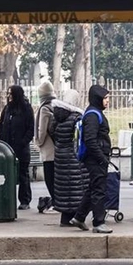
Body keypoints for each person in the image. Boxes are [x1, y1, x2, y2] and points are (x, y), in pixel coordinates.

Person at [70, 84, 114, 234]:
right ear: (97, 98)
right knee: (99, 190)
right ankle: (99, 222)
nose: (107, 101)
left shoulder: (94, 113)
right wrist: (102, 158)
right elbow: (90, 140)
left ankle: (79, 217)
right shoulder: (93, 115)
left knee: (93, 188)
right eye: (105, 98)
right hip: (95, 159)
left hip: (96, 158)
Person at [50, 89, 86, 228]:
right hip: (73, 156)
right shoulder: (76, 118)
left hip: (60, 156)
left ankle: (65, 218)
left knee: (64, 187)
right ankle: (75, 217)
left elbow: (52, 133)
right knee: (76, 186)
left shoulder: (56, 117)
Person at [0, 84, 35, 211]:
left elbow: (30, 128)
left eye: (11, 94)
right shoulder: (7, 109)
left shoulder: (26, 109)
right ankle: (7, 199)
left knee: (23, 174)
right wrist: (1, 140)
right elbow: (1, 124)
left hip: (21, 148)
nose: (9, 96)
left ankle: (24, 200)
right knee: (7, 174)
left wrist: (22, 142)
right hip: (7, 147)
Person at [34, 81, 58, 212]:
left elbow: (42, 130)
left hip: (48, 149)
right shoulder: (55, 105)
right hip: (57, 147)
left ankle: (55, 203)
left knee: (50, 178)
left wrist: (38, 142)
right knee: (57, 178)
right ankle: (58, 201)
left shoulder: (44, 108)